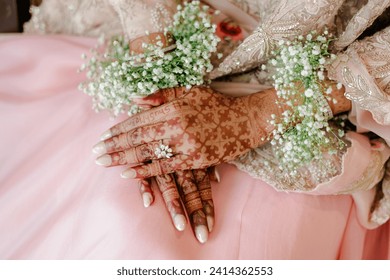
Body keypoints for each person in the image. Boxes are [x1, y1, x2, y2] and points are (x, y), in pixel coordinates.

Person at [0, 0, 389, 259]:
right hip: (144, 31)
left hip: (327, 82)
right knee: (104, 202)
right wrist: (162, 68)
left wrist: (255, 117)